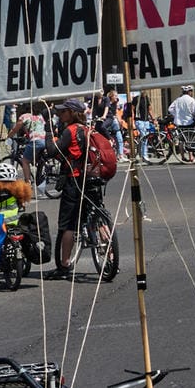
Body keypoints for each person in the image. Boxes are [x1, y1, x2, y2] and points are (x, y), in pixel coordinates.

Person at [49, 98, 116, 281]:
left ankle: (64, 265)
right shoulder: (87, 130)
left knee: (68, 224)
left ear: (71, 113)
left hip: (74, 180)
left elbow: (54, 151)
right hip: (92, 178)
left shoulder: (70, 131)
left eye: (63, 112)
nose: (59, 114)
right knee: (96, 213)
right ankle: (110, 256)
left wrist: (50, 137)